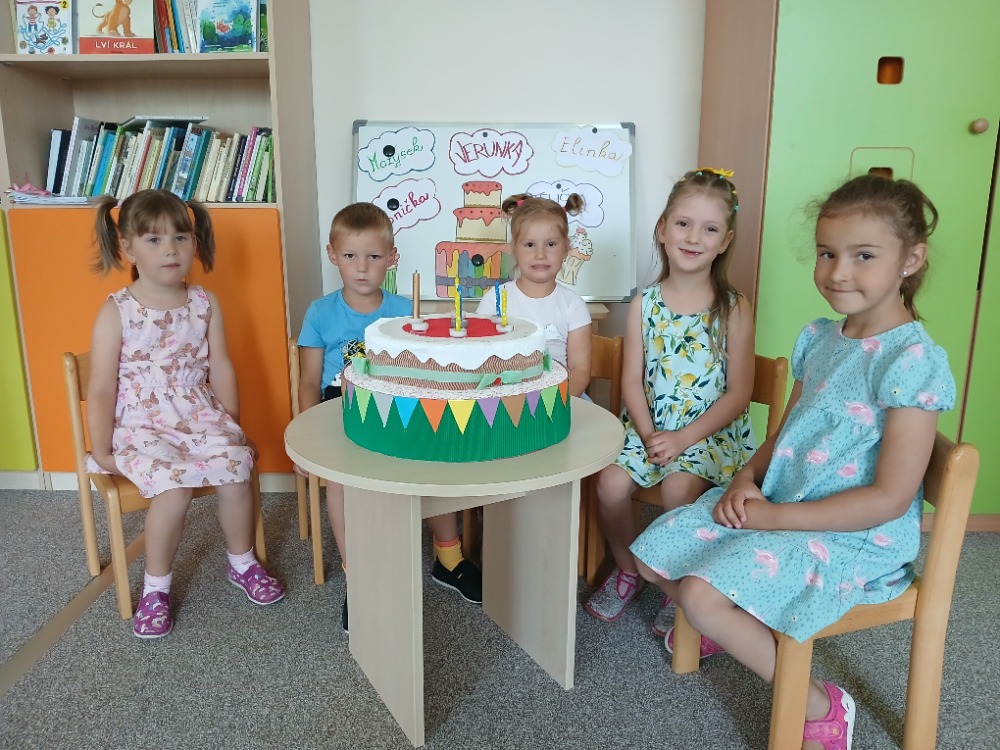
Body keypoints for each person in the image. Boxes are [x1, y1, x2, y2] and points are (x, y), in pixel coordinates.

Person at [631, 175, 956, 749]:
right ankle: (730, 624)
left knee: (701, 594)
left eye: (863, 256)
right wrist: (745, 479)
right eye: (828, 253)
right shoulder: (821, 338)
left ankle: (819, 705)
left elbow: (889, 499)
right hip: (783, 501)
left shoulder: (911, 361)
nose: (838, 272)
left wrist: (773, 518)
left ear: (911, 260)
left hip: (854, 536)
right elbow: (784, 436)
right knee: (652, 555)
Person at [86, 190, 285, 639]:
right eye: (154, 240)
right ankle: (156, 588)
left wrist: (232, 427)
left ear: (195, 242)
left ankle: (242, 561)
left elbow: (222, 367)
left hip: (199, 414)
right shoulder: (117, 311)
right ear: (128, 248)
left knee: (236, 467)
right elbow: (100, 386)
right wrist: (101, 449)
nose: (171, 249)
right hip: (141, 424)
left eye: (181, 237)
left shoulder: (203, 302)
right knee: (173, 489)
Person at [584, 169, 756, 634]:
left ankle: (675, 584)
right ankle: (628, 570)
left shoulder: (733, 308)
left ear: (725, 241)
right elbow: (631, 382)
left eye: (710, 228)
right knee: (609, 483)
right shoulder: (645, 303)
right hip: (649, 426)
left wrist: (682, 439)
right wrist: (647, 434)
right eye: (683, 224)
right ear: (662, 229)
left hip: (706, 434)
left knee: (679, 489)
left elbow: (739, 392)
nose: (694, 237)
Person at [297, 202, 483, 633]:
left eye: (374, 256)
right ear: (332, 255)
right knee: (340, 483)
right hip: (339, 405)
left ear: (392, 258)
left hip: (398, 401)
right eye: (350, 256)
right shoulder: (320, 312)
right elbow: (308, 381)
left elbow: (424, 368)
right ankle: (359, 576)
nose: (362, 267)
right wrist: (306, 439)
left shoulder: (406, 309)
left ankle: (449, 558)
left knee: (437, 458)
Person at [475, 193, 592, 397]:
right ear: (514, 249)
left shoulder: (573, 304)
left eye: (551, 244)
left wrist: (557, 405)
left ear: (566, 248)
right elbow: (479, 361)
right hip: (506, 400)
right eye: (530, 245)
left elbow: (580, 370)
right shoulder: (493, 301)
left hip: (562, 399)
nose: (540, 254)